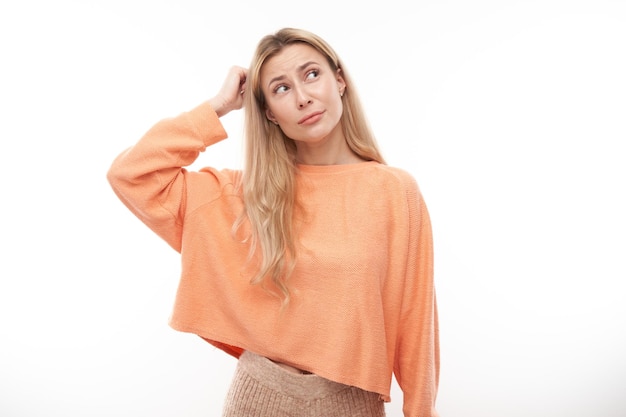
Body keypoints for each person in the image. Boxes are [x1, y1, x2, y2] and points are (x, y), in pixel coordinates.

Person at [107, 27, 439, 417]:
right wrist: (218, 106)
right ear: (268, 113)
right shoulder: (245, 196)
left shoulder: (393, 192)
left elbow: (416, 326)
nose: (302, 98)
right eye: (281, 89)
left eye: (311, 74)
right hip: (258, 398)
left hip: (351, 403)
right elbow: (131, 174)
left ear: (340, 80)